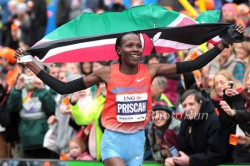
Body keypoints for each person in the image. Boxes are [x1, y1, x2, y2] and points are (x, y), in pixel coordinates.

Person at [15, 24, 244, 166]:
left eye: (138, 45)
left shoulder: (151, 70)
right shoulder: (105, 73)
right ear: (118, 50)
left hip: (137, 141)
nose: (135, 49)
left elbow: (194, 63)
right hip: (113, 141)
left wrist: (223, 43)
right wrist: (33, 66)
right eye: (129, 46)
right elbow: (63, 88)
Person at [165, 89, 230, 166]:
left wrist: (191, 160)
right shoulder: (185, 122)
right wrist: (173, 159)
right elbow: (183, 150)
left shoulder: (214, 121)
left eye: (191, 104)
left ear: (200, 103)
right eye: (185, 105)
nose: (188, 108)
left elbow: (217, 155)